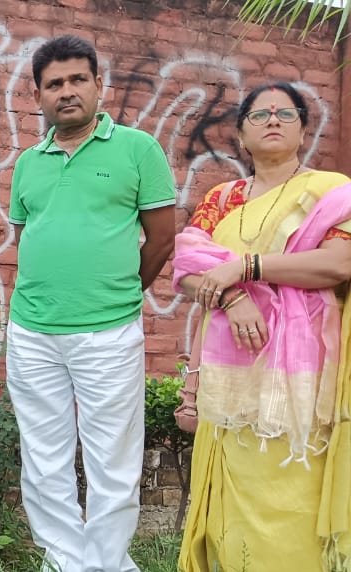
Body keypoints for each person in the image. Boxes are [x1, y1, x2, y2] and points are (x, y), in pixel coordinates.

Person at [5, 35, 175, 572]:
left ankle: (106, 563)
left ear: (99, 84)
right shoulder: (28, 163)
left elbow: (163, 238)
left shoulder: (137, 149)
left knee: (112, 461)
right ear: (38, 96)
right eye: (54, 84)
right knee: (44, 458)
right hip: (32, 330)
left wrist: (122, 292)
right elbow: (27, 233)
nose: (67, 91)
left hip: (108, 331)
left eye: (78, 79)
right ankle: (64, 562)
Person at [174, 82, 351, 572]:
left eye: (286, 113)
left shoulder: (333, 191)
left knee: (294, 483)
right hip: (229, 370)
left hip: (302, 373)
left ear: (302, 130)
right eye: (259, 114)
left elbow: (338, 263)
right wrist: (232, 299)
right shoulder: (222, 198)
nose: (273, 120)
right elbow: (188, 268)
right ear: (242, 135)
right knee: (235, 484)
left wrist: (245, 268)